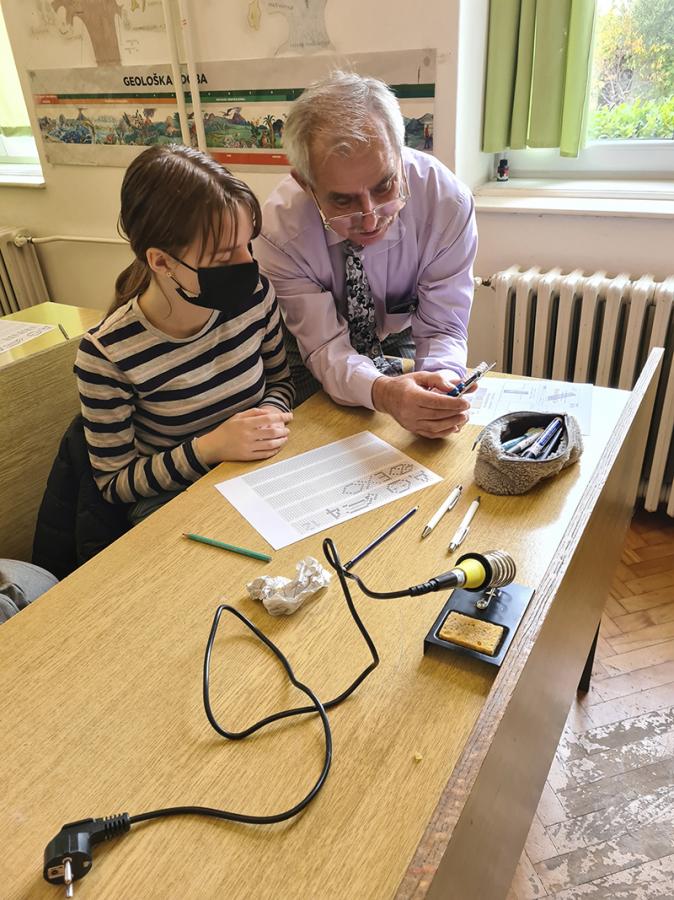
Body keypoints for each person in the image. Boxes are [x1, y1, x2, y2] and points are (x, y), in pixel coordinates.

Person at [75, 144, 294, 524]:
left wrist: (269, 417)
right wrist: (211, 448)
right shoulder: (105, 354)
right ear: (161, 261)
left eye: (247, 245)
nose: (248, 265)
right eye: (224, 257)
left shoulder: (255, 296)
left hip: (256, 473)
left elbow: (281, 382)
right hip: (175, 501)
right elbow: (114, 482)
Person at [255, 71, 478, 439]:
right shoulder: (278, 233)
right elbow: (324, 347)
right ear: (306, 185)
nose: (371, 218)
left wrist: (441, 384)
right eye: (343, 201)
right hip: (306, 341)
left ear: (400, 153)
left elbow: (442, 327)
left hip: (396, 329)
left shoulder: (446, 202)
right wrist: (385, 393)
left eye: (385, 185)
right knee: (318, 439)